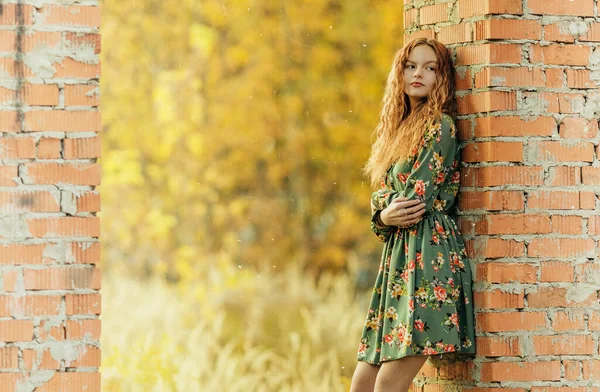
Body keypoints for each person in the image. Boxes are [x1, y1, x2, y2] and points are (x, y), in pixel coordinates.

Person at [349, 38, 476, 392]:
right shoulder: (399, 128)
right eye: (411, 66)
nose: (418, 73)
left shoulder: (441, 127)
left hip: (429, 259)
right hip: (398, 261)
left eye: (430, 67)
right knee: (362, 382)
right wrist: (383, 212)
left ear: (441, 78)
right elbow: (385, 206)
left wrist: (384, 207)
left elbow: (412, 202)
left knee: (387, 385)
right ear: (400, 73)